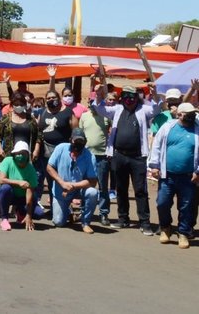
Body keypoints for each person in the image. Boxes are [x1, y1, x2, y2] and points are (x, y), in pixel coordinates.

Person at [94, 84, 161, 235]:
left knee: (140, 191)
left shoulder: (143, 110)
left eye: (131, 97)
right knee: (121, 189)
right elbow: (100, 108)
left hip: (138, 157)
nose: (128, 100)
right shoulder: (117, 109)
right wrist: (98, 94)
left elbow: (156, 109)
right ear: (122, 98)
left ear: (137, 98)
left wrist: (154, 93)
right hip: (119, 155)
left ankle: (145, 223)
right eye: (125, 97)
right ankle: (123, 219)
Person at [148, 102, 199, 249]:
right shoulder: (168, 127)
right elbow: (156, 145)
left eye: (192, 114)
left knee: (186, 206)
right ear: (179, 114)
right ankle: (166, 228)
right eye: (188, 114)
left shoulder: (197, 129)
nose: (191, 116)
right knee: (162, 202)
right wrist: (154, 166)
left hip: (188, 176)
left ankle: (183, 233)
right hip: (167, 175)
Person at [46, 129, 99, 234]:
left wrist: (73, 186)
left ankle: (85, 222)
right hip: (61, 190)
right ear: (70, 140)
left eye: (81, 142)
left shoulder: (90, 156)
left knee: (93, 192)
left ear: (85, 142)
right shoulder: (60, 148)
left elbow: (92, 181)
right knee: (58, 222)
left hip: (79, 189)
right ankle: (69, 211)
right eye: (76, 141)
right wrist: (62, 183)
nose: (78, 144)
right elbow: (49, 167)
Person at [37, 90, 78, 208]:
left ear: (59, 98)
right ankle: (55, 207)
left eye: (53, 97)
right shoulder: (42, 112)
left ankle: (66, 207)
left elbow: (76, 132)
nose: (51, 100)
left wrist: (75, 150)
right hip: (46, 151)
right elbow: (39, 132)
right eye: (48, 98)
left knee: (63, 178)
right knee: (50, 181)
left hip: (64, 152)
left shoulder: (68, 112)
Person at [0, 141, 45, 231]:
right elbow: (1, 180)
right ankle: (4, 219)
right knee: (5, 189)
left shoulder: (31, 170)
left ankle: (21, 212)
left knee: (39, 214)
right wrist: (19, 182)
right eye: (18, 153)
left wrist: (29, 215)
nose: (20, 156)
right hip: (10, 195)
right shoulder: (7, 161)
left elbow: (29, 195)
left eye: (23, 153)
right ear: (14, 154)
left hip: (23, 198)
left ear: (28, 155)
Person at [79, 96, 111, 226]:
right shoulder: (84, 116)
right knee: (85, 185)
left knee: (103, 186)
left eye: (96, 102)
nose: (93, 105)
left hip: (101, 155)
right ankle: (84, 212)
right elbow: (80, 134)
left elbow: (113, 133)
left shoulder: (106, 116)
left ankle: (103, 213)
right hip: (86, 156)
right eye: (91, 102)